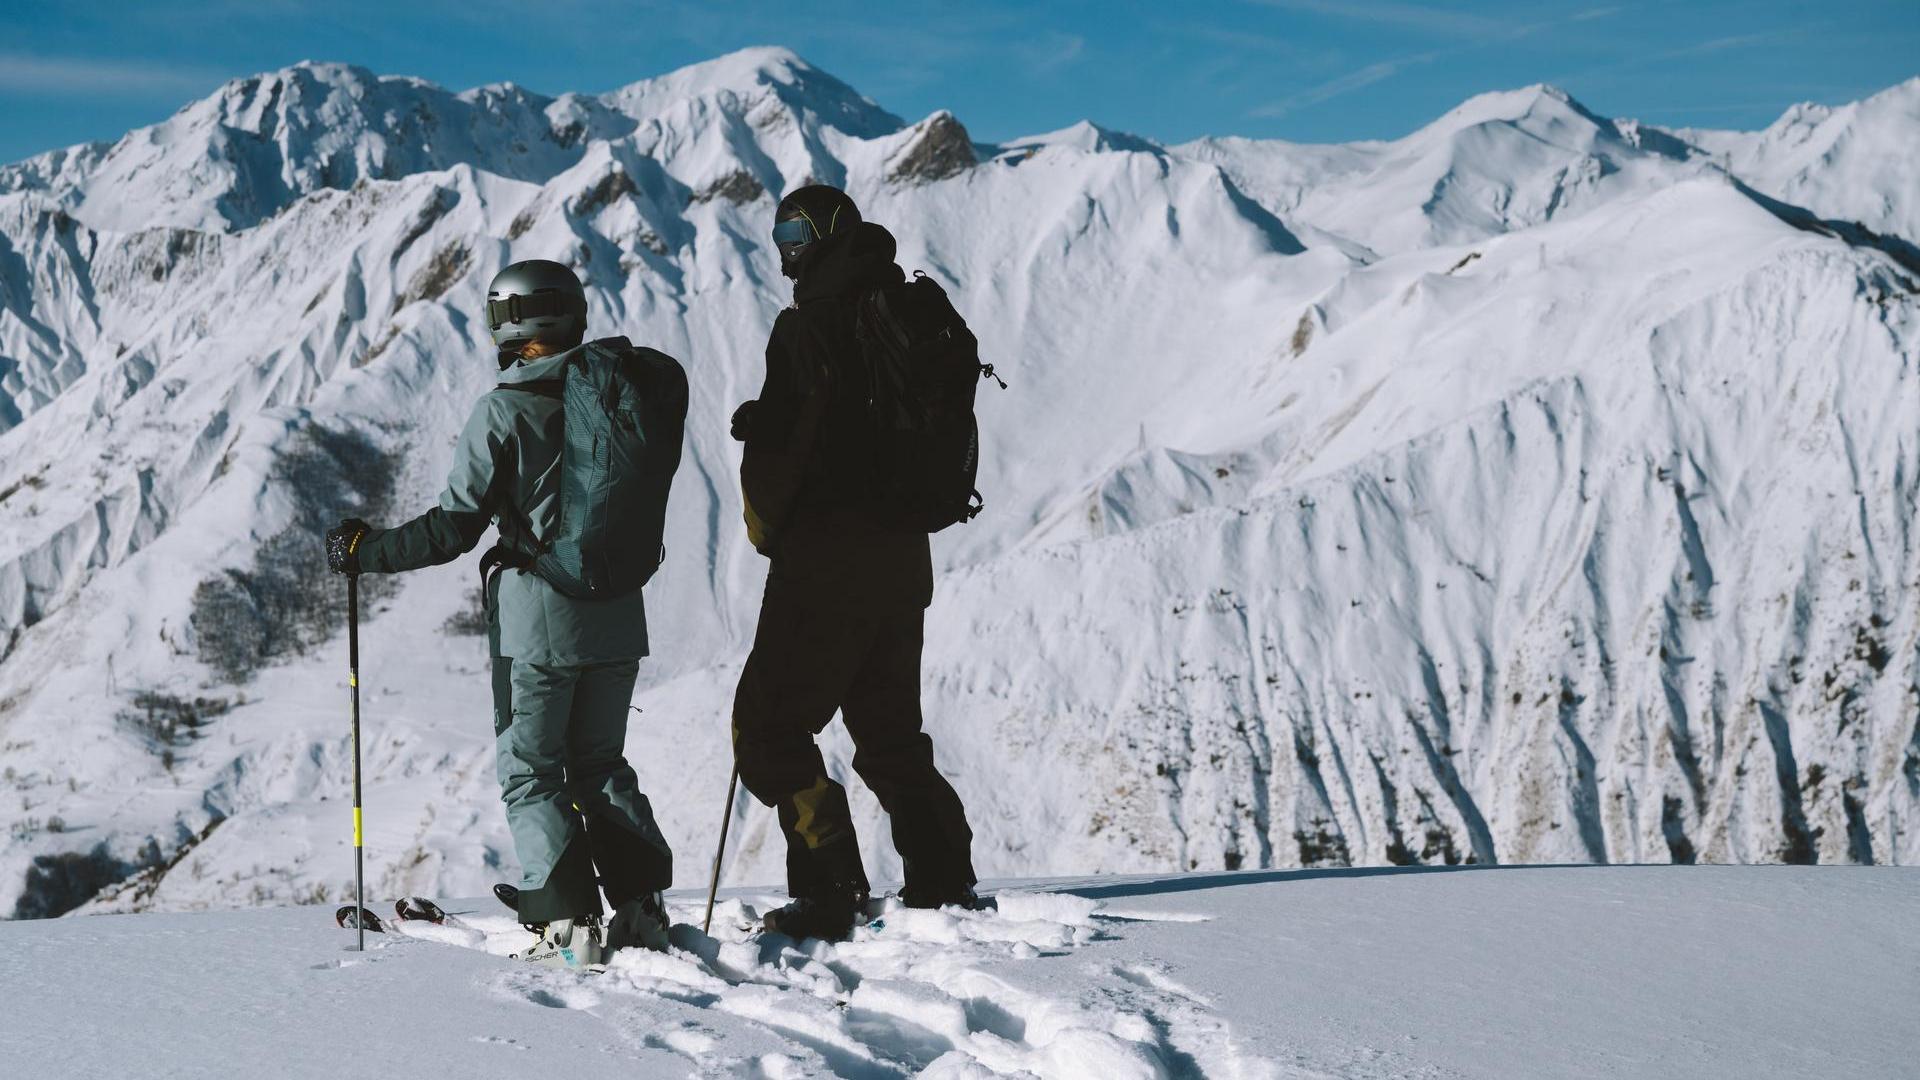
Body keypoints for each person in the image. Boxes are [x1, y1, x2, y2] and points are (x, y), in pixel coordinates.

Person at [324, 259, 679, 967]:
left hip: (540, 625)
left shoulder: (505, 410)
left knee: (532, 769)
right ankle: (640, 911)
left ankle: (569, 925)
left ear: (508, 324)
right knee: (601, 763)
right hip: (619, 617)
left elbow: (453, 529)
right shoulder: (621, 398)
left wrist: (365, 553)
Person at [729, 184, 979, 941]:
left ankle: (830, 883)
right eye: (778, 227)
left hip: (825, 558)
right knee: (890, 731)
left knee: (766, 728)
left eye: (796, 228)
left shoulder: (809, 325)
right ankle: (943, 879)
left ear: (828, 233)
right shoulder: (905, 310)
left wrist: (769, 525)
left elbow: (791, 455)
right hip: (905, 558)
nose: (785, 242)